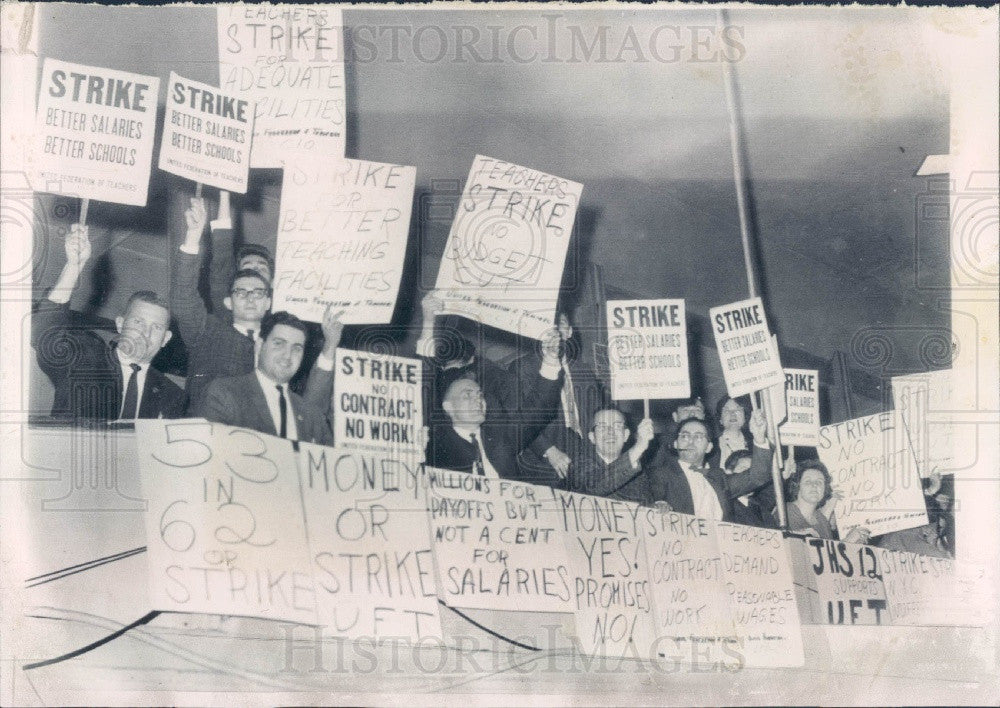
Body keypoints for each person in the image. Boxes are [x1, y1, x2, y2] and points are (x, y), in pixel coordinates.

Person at [171, 197, 339, 412]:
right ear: (228, 301)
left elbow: (308, 410)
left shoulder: (283, 345)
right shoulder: (208, 330)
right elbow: (186, 296)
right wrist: (193, 237)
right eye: (241, 291)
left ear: (269, 300)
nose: (250, 297)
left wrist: (331, 344)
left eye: (258, 292)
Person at [32, 224, 186, 422]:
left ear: (165, 338)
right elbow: (43, 333)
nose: (145, 333)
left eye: (156, 327)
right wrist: (73, 267)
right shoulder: (83, 360)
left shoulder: (173, 396)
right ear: (120, 325)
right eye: (138, 322)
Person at [426, 330, 563, 482]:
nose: (477, 400)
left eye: (480, 395)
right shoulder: (437, 447)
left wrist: (550, 361)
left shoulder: (501, 438)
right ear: (448, 407)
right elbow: (422, 391)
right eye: (467, 395)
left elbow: (538, 409)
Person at [200, 312, 332, 445]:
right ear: (259, 345)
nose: (287, 355)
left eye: (297, 348)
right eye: (279, 344)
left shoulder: (313, 415)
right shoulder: (223, 394)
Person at [518, 310, 609, 480]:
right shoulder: (523, 368)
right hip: (544, 461)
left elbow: (596, 417)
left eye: (560, 323)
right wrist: (549, 450)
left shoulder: (585, 371)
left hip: (586, 457)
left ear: (569, 332)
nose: (554, 329)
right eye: (548, 324)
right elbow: (519, 418)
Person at [645, 410, 774, 521]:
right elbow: (651, 499)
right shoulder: (660, 474)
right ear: (675, 444)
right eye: (684, 436)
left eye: (699, 437)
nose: (691, 441)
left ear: (709, 447)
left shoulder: (719, 478)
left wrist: (759, 437)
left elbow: (758, 477)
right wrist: (656, 506)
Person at [563, 408, 654, 502]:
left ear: (626, 435)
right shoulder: (577, 466)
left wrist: (658, 508)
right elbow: (593, 487)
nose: (610, 432)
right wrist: (638, 448)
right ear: (592, 437)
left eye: (617, 426)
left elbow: (646, 506)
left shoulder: (639, 475)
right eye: (602, 427)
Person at [781, 460, 870, 543]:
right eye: (808, 481)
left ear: (825, 489)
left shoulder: (822, 520)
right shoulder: (785, 511)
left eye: (819, 482)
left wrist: (852, 544)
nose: (814, 485)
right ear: (797, 486)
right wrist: (848, 541)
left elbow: (827, 555)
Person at [724, 449, 777, 528]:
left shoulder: (757, 505)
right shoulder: (725, 504)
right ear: (729, 473)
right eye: (744, 469)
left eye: (753, 470)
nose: (755, 477)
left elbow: (769, 495)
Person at [714, 395, 752, 466]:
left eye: (738, 410)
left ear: (745, 417)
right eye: (726, 411)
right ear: (720, 419)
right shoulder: (713, 446)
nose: (732, 414)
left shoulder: (756, 442)